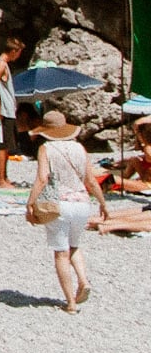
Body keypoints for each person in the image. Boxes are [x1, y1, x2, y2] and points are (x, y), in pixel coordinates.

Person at [27, 106, 106, 311]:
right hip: (82, 203)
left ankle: (70, 302)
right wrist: (103, 204)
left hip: (59, 204)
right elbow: (90, 180)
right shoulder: (80, 148)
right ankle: (83, 280)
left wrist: (30, 202)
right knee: (75, 245)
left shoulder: (46, 149)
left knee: (61, 253)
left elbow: (42, 178)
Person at [0, 35, 24, 187]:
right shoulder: (1, 64)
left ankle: (5, 177)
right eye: (18, 53)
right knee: (2, 145)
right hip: (4, 110)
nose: (18, 56)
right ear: (13, 51)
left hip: (8, 110)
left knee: (6, 144)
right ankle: (0, 180)